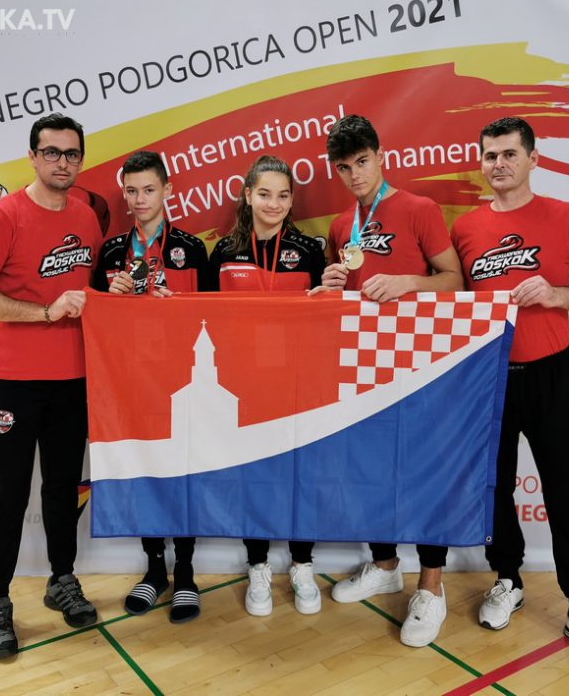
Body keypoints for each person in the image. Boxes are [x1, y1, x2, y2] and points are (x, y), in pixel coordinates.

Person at [450, 116, 569, 666]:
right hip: (488, 379)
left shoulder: (567, 216)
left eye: (509, 154)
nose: (499, 164)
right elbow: (451, 302)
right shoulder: (465, 229)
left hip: (554, 374)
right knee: (494, 489)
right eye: (490, 155)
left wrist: (557, 294)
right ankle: (507, 579)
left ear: (534, 158)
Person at [0, 113, 102, 660]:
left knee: (63, 487)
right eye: (52, 152)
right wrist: (44, 313)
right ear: (33, 157)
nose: (62, 162)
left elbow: (89, 292)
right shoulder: (4, 215)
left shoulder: (85, 217)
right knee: (8, 495)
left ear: (80, 158)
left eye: (71, 153)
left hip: (73, 379)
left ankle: (61, 579)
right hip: (16, 382)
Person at [319, 114, 463, 648]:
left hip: (421, 362)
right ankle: (384, 566)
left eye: (363, 162)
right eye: (344, 167)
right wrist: (331, 283)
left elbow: (455, 280)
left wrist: (408, 282)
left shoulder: (419, 209)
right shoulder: (341, 226)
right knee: (370, 471)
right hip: (363, 364)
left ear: (381, 156)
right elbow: (343, 298)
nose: (355, 175)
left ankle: (431, 586)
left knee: (426, 472)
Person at [92, 149, 208, 624]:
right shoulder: (111, 253)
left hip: (180, 381)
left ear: (167, 190)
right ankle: (155, 569)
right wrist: (111, 297)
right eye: (132, 191)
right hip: (130, 383)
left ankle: (186, 573)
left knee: (184, 472)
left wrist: (175, 306)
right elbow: (96, 319)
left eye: (149, 190)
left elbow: (213, 320)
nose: (140, 199)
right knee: (144, 471)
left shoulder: (192, 249)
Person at [208, 155, 326, 616]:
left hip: (297, 384)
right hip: (243, 386)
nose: (273, 204)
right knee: (252, 476)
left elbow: (326, 319)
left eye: (282, 195)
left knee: (301, 476)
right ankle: (257, 565)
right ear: (247, 195)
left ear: (292, 200)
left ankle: (302, 563)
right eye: (264, 194)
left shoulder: (309, 251)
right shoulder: (223, 252)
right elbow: (198, 316)